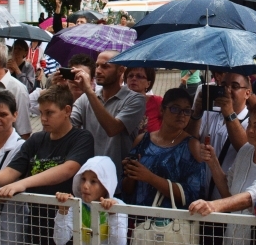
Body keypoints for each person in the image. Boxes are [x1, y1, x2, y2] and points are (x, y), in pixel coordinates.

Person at [0, 84, 95, 245]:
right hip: (36, 222)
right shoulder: (36, 139)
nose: (43, 118)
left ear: (67, 111)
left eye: (49, 113)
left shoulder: (82, 138)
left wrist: (22, 184)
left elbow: (68, 169)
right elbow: (12, 170)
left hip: (68, 223)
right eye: (41, 113)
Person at [189, 101, 256, 245]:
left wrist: (213, 206)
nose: (249, 130)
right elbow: (228, 191)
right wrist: (213, 162)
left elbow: (252, 198)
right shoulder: (246, 150)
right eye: (249, 124)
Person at [70, 50, 146, 182]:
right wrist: (61, 90)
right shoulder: (85, 98)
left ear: (121, 70)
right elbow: (66, 127)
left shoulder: (135, 100)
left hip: (116, 181)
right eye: (97, 66)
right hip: (88, 179)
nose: (98, 71)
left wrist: (88, 91)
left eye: (105, 66)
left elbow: (113, 129)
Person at [122, 87, 205, 207]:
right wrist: (131, 173)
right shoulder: (142, 140)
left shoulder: (191, 146)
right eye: (175, 109)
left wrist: (150, 178)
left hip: (170, 223)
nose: (182, 115)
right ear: (162, 109)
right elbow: (126, 189)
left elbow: (193, 194)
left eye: (187, 111)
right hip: (137, 218)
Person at [189, 72, 251, 201]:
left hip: (228, 200)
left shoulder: (251, 121)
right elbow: (189, 139)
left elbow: (244, 148)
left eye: (235, 86)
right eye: (223, 85)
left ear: (247, 93)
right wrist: (196, 113)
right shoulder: (209, 113)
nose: (227, 91)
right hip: (199, 198)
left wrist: (229, 112)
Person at [54, 156, 127, 245]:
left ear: (106, 185)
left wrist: (113, 214)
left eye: (93, 181)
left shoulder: (118, 206)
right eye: (83, 179)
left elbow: (119, 243)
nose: (85, 186)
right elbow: (59, 241)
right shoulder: (75, 204)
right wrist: (63, 212)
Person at [124, 66, 162, 135]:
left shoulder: (157, 102)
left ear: (148, 83)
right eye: (130, 76)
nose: (134, 79)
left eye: (139, 76)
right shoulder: (119, 101)